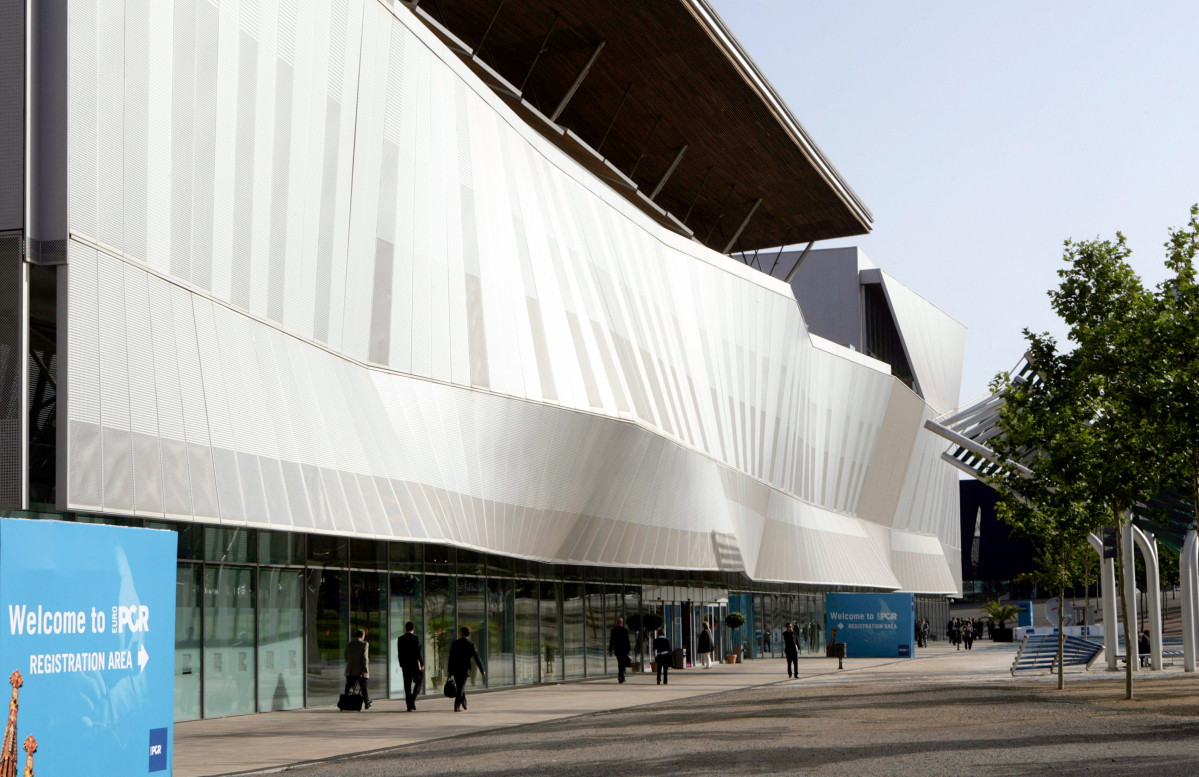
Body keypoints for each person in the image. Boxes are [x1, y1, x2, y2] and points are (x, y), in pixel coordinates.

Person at [447, 625, 485, 711]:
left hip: (456, 669)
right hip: (465, 669)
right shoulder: (471, 644)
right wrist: (482, 670)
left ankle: (464, 702)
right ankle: (457, 706)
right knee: (460, 687)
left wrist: (449, 670)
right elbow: (477, 658)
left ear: (461, 633)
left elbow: (451, 658)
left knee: (460, 686)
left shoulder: (455, 643)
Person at [396, 620, 425, 711]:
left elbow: (400, 653)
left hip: (405, 665)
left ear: (405, 629)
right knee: (419, 682)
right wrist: (422, 663)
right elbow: (418, 652)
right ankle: (412, 699)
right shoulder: (416, 638)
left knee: (407, 685)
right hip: (414, 664)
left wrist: (401, 663)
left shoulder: (400, 639)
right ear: (413, 629)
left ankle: (409, 705)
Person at [343, 629, 371, 709]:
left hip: (351, 670)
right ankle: (367, 702)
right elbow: (365, 658)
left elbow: (346, 657)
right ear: (363, 636)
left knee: (349, 687)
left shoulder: (349, 644)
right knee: (364, 687)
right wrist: (365, 669)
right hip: (361, 670)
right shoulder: (365, 644)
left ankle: (346, 703)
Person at [608, 617, 632, 683]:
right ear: (622, 623)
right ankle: (621, 675)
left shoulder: (613, 631)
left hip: (617, 649)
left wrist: (610, 650)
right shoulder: (625, 630)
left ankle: (621, 675)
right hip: (624, 649)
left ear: (617, 623)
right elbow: (627, 641)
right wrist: (629, 650)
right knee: (622, 662)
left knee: (620, 662)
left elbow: (611, 641)